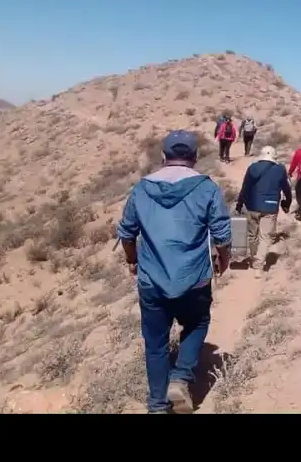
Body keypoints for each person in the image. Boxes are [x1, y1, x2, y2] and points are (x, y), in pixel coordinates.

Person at [116, 130, 232, 414]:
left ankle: (157, 406)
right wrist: (224, 261)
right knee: (197, 324)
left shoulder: (142, 188)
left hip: (152, 281)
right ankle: (180, 377)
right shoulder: (206, 187)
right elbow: (223, 235)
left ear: (165, 156)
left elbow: (127, 234)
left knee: (155, 344)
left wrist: (132, 261)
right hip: (194, 278)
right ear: (194, 157)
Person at [236, 146, 292, 272]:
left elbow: (245, 187)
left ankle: (254, 257)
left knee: (252, 235)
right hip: (270, 207)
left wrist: (239, 204)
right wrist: (287, 202)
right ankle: (259, 263)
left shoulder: (252, 168)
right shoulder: (280, 169)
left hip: (251, 205)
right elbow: (286, 188)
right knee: (266, 237)